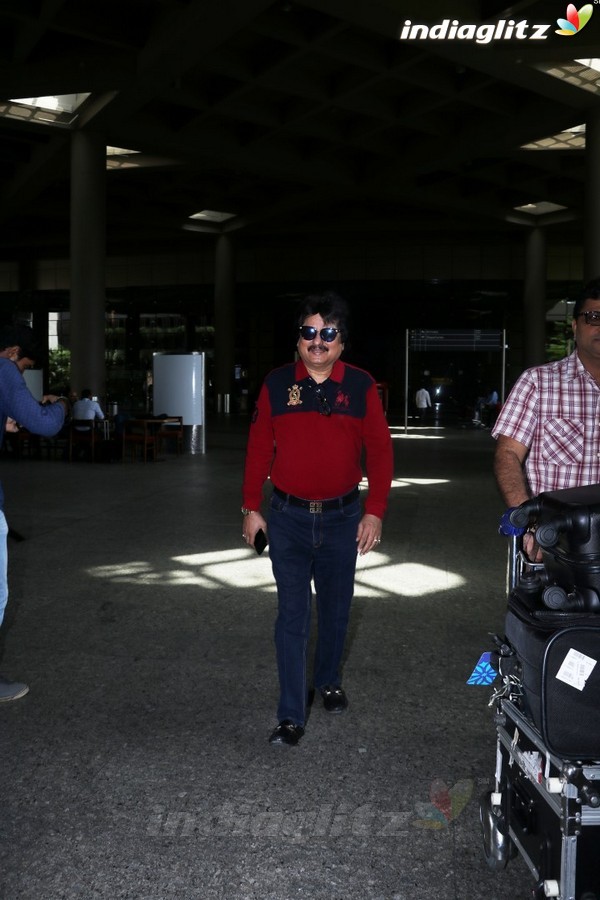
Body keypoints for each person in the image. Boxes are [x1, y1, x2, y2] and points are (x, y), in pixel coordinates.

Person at [242, 291, 394, 747]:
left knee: (335, 610)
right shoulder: (275, 385)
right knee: (292, 616)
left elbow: (381, 452)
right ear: (299, 340)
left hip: (342, 518)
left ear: (342, 342)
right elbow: (258, 449)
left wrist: (375, 511)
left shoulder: (362, 387)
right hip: (286, 517)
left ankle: (327, 680)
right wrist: (251, 508)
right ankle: (291, 714)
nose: (318, 341)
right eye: (309, 332)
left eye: (328, 333)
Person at [492, 276, 600, 557]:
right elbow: (508, 454)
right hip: (557, 545)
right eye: (594, 317)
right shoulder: (538, 383)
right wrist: (530, 523)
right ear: (575, 326)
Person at [0, 324, 68, 700]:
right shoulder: (3, 368)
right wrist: (62, 404)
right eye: (24, 365)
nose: (21, 372)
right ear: (12, 352)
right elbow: (44, 424)